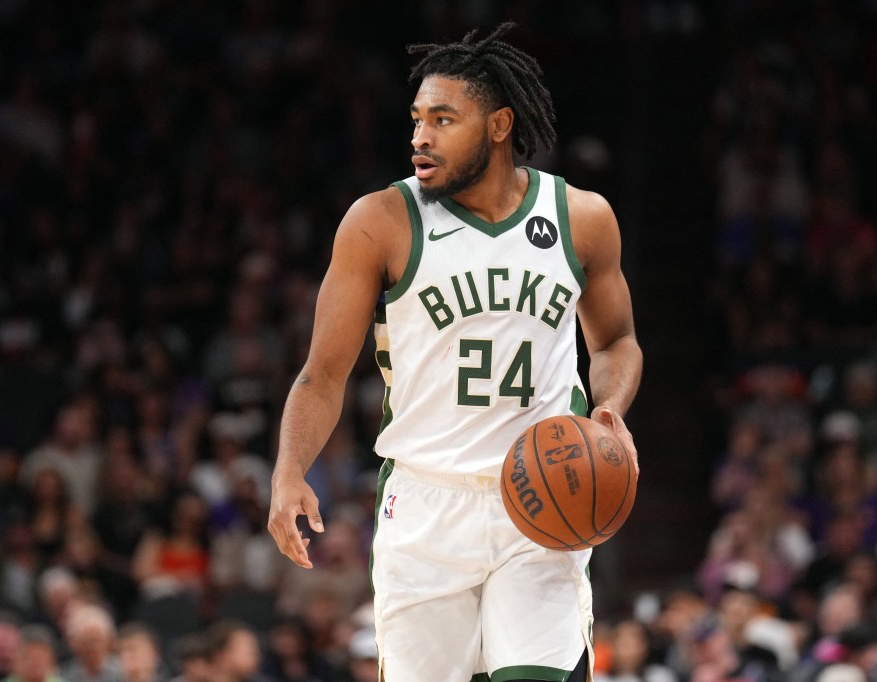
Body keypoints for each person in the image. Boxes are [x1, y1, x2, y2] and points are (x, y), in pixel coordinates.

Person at [267, 22, 642, 682]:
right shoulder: (380, 222)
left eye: (443, 119)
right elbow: (323, 373)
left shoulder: (581, 217)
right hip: (425, 504)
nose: (419, 137)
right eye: (417, 119)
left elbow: (615, 341)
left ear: (499, 125)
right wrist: (291, 469)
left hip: (541, 494)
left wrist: (608, 408)